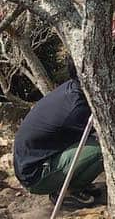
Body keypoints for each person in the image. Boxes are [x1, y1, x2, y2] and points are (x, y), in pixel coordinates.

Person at [12, 60, 104, 210]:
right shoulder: (76, 108)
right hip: (37, 175)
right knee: (105, 149)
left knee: (95, 143)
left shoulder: (73, 87)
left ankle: (72, 184)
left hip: (32, 162)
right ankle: (68, 191)